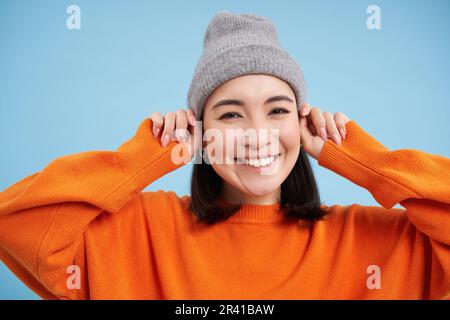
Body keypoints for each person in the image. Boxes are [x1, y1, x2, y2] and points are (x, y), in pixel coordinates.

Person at [0, 11, 449, 300]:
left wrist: (367, 162)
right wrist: (142, 159)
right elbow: (14, 224)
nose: (257, 134)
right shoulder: (135, 232)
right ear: (199, 134)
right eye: (231, 115)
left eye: (277, 110)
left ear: (303, 123)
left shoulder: (379, 245)